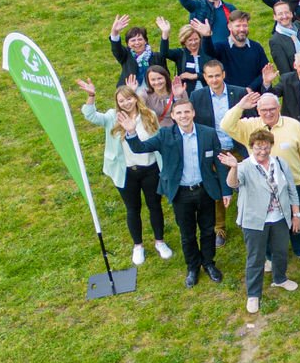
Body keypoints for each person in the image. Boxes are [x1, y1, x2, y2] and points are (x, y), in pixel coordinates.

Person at [119, 93, 228, 287]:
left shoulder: (208, 133)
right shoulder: (165, 134)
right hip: (181, 193)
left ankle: (209, 263)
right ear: (174, 116)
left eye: (187, 111)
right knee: (187, 234)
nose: (184, 116)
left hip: (205, 190)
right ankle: (192, 267)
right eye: (179, 113)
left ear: (193, 113)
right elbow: (139, 148)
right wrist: (131, 133)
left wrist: (226, 190)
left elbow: (219, 163)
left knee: (208, 231)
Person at [77, 80, 173, 269]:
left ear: (136, 99)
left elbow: (158, 141)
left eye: (129, 99)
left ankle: (159, 241)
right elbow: (90, 116)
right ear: (117, 103)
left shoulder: (149, 115)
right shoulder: (113, 117)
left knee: (155, 206)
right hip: (126, 172)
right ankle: (138, 246)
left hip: (150, 170)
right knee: (133, 208)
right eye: (122, 101)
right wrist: (91, 96)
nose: (126, 103)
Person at [219, 127, 300, 315]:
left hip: (280, 218)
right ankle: (253, 294)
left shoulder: (280, 163)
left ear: (271, 146)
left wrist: (296, 214)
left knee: (280, 252)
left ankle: (280, 278)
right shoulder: (245, 166)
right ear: (251, 147)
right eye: (257, 148)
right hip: (254, 221)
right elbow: (233, 184)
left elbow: (291, 189)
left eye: (265, 147)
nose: (262, 152)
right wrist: (233, 167)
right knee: (255, 258)